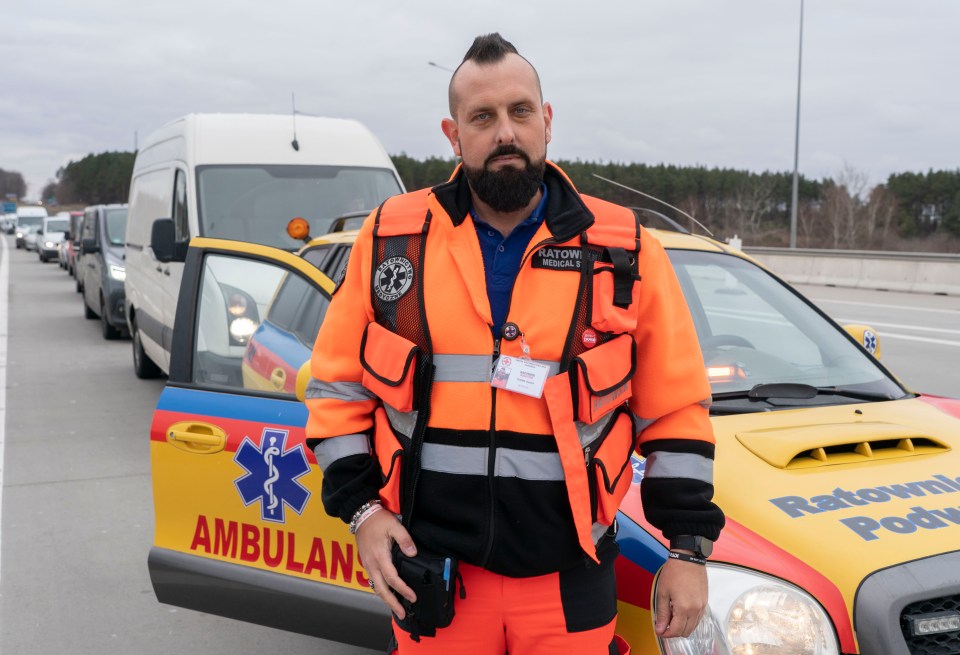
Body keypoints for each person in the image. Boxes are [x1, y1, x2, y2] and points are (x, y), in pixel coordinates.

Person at [305, 33, 724, 655]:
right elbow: (335, 389)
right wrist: (364, 514)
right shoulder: (394, 237)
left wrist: (688, 550)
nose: (505, 132)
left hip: (568, 578)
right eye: (483, 117)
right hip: (431, 575)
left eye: (520, 112)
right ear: (453, 134)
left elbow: (675, 409)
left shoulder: (625, 250)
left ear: (546, 121)